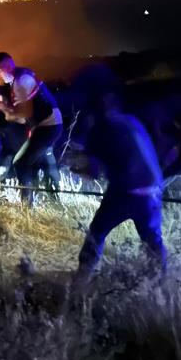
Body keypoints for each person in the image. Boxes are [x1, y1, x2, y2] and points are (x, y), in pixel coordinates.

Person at [73, 67, 166, 277]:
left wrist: (76, 169)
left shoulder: (98, 130)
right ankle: (162, 283)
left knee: (96, 232)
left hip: (125, 193)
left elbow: (92, 172)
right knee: (153, 241)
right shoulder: (131, 120)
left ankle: (82, 279)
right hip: (153, 191)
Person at [0, 52, 63, 204]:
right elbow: (25, 116)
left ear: (9, 65)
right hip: (48, 124)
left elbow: (24, 114)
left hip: (48, 126)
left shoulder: (21, 81)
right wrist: (7, 110)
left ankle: (27, 207)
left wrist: (7, 111)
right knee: (42, 159)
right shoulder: (19, 79)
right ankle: (54, 198)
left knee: (21, 162)